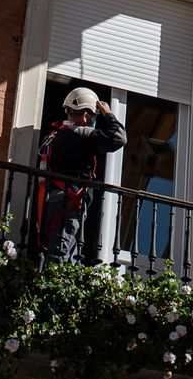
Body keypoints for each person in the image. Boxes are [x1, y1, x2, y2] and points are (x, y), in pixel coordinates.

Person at [35, 86, 127, 263]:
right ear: (86, 115)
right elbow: (119, 137)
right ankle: (52, 287)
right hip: (69, 199)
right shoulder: (79, 132)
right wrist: (108, 114)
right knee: (60, 250)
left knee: (57, 247)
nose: (93, 121)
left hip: (52, 198)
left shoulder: (54, 135)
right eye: (93, 117)